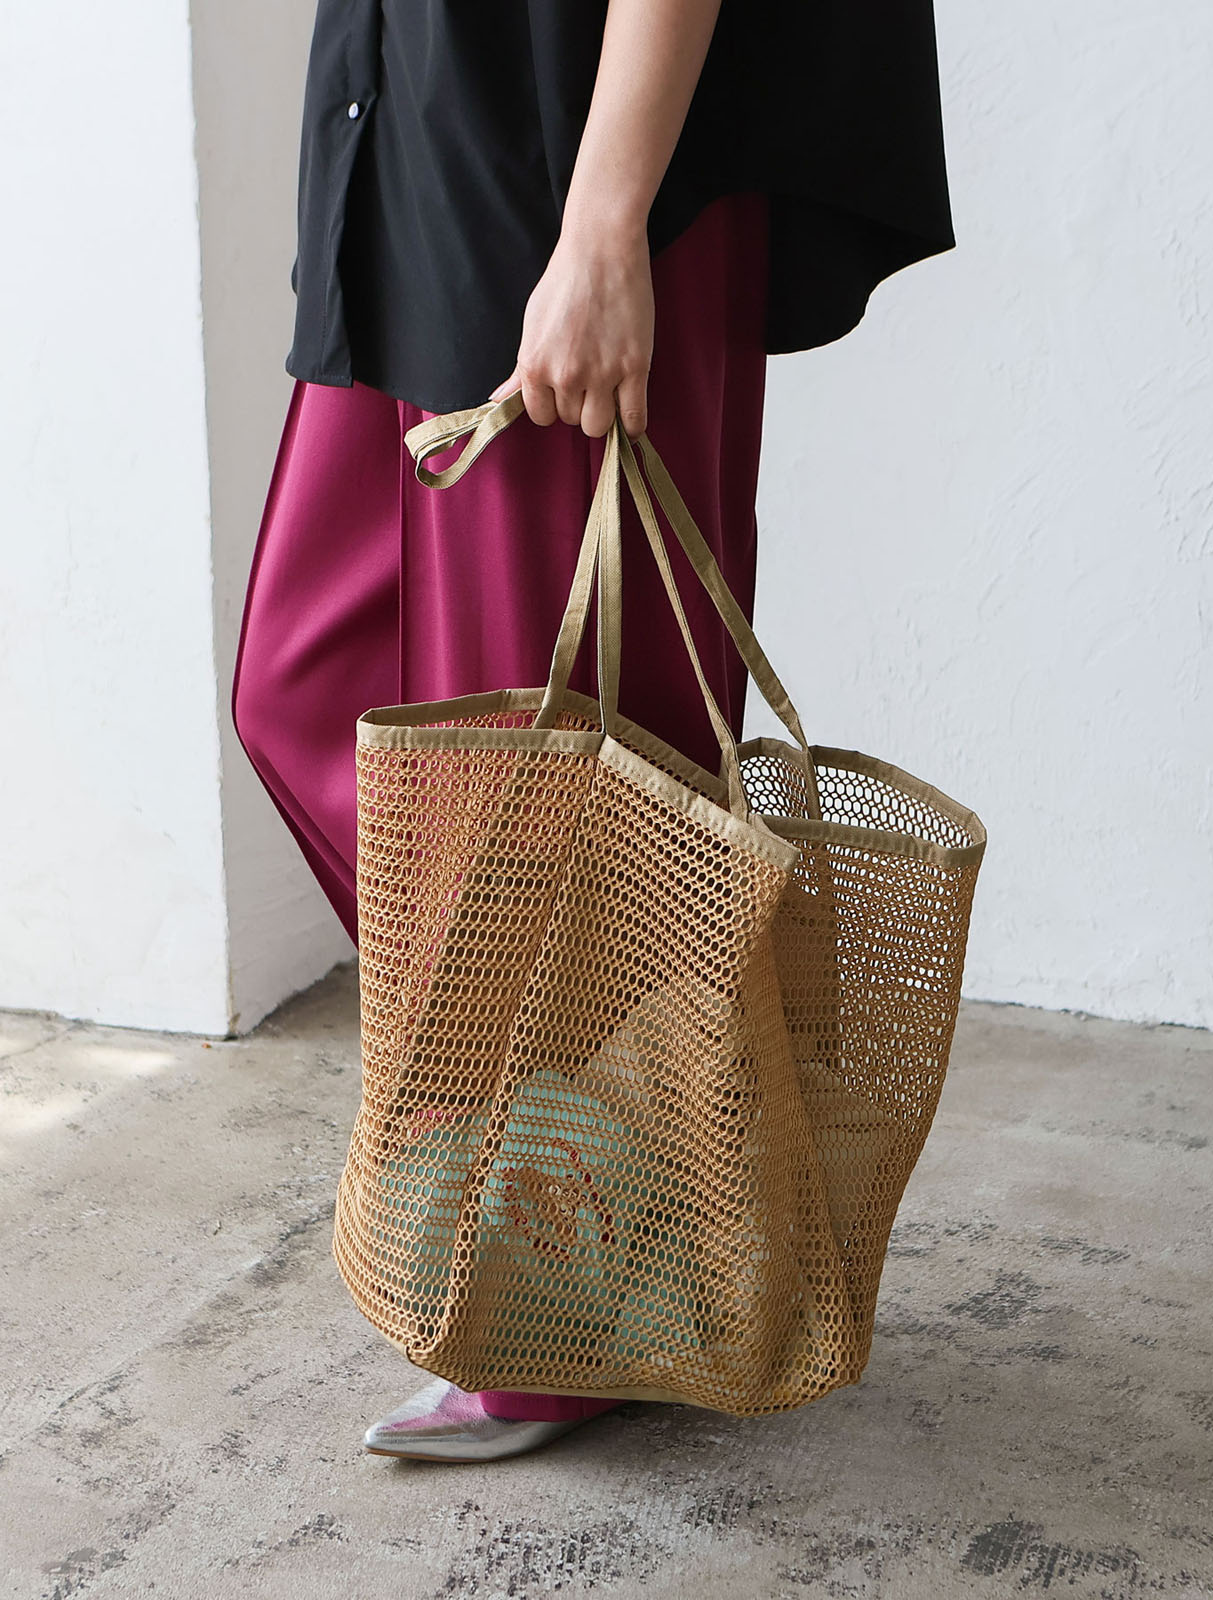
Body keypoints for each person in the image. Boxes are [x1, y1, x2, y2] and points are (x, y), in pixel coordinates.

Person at [232, 0, 955, 1462]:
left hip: (574, 157)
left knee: (563, 779)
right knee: (306, 690)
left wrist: (606, 224)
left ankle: (562, 1305)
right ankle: (646, 1175)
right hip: (427, 126)